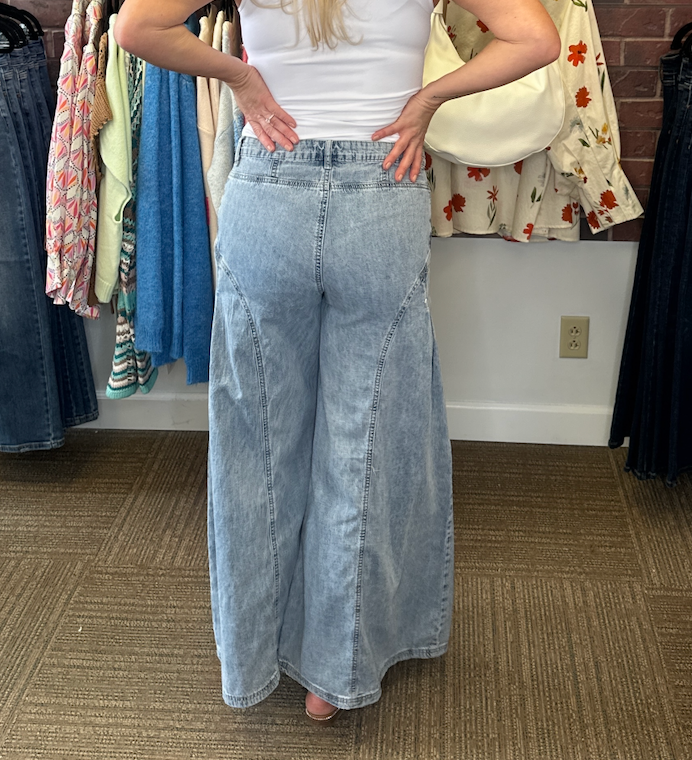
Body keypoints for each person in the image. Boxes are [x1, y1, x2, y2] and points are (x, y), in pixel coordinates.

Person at [115, 0, 560, 724]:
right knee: (364, 441)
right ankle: (334, 675)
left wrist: (240, 78)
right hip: (381, 186)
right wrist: (427, 100)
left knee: (256, 443)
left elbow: (135, 27)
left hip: (271, 184)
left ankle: (252, 659)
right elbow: (536, 40)